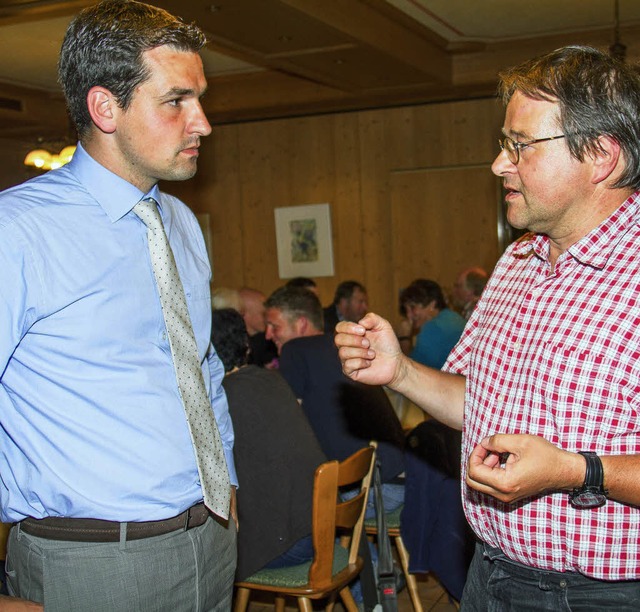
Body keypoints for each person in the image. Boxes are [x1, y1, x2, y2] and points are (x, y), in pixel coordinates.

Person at [335, 45, 640, 609]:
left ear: (601, 157)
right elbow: (480, 402)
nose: (499, 164)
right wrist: (400, 371)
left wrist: (575, 471)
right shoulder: (517, 260)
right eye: (505, 145)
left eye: (519, 146)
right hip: (490, 573)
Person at [0, 1, 238, 610]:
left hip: (209, 539)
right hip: (90, 561)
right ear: (105, 107)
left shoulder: (179, 221)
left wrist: (226, 481)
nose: (203, 122)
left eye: (200, 98)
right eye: (176, 100)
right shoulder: (16, 231)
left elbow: (200, 364)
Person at [265, 286, 405, 517]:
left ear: (301, 324)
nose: (268, 335)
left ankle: (347, 553)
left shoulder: (294, 350)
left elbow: (284, 434)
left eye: (275, 326)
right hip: (400, 480)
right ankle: (357, 553)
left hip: (372, 492)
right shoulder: (345, 346)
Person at [210, 308, 326, 579]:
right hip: (322, 527)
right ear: (246, 346)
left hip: (286, 543)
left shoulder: (219, 401)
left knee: (202, 559)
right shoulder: (272, 379)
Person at [399, 279, 466, 368]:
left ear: (432, 305)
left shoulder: (434, 328)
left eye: (413, 307)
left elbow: (410, 371)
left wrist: (404, 338)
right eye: (406, 310)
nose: (409, 315)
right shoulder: (454, 318)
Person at [237, 287, 278, 368]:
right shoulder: (237, 347)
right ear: (244, 314)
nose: (268, 319)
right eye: (264, 314)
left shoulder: (271, 340)